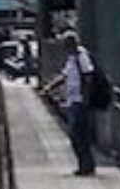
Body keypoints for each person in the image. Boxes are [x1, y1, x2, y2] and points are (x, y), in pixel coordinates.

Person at [40, 31, 97, 177]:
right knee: (77, 135)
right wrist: (49, 87)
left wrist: (85, 97)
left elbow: (88, 76)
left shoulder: (81, 56)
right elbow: (64, 76)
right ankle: (84, 164)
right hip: (73, 101)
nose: (64, 47)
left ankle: (86, 165)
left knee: (77, 134)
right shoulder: (72, 59)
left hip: (79, 102)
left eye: (66, 44)